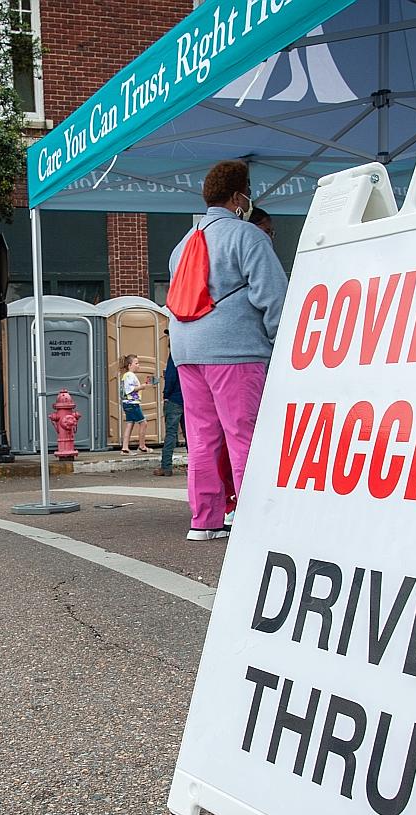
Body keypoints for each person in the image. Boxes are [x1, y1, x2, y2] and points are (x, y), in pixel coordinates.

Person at [166, 160, 288, 541]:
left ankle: (205, 521)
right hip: (234, 350)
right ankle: (256, 522)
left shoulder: (182, 245)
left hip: (187, 350)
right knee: (243, 434)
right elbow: (274, 297)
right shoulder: (246, 236)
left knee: (202, 439)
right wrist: (279, 344)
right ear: (238, 196)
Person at [154, 353, 184, 477]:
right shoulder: (190, 353)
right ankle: (195, 468)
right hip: (189, 399)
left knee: (171, 433)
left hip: (174, 399)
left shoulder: (174, 356)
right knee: (191, 435)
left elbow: (171, 377)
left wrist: (166, 395)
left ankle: (166, 467)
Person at [117, 354, 151, 455]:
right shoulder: (130, 375)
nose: (138, 365)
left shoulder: (126, 375)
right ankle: (142, 446)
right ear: (129, 365)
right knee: (143, 423)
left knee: (130, 424)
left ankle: (125, 448)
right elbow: (130, 389)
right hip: (132, 404)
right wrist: (142, 387)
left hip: (127, 403)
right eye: (136, 363)